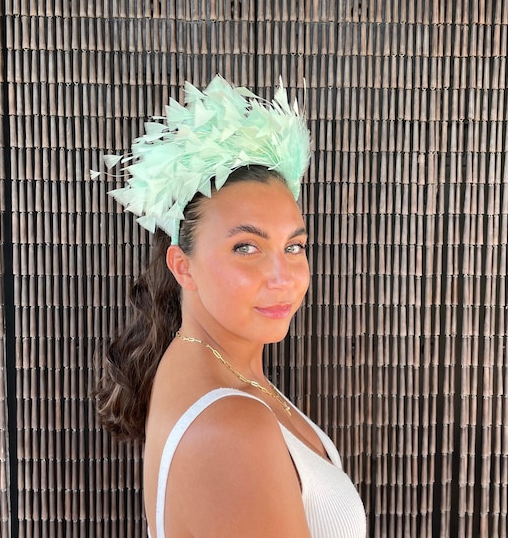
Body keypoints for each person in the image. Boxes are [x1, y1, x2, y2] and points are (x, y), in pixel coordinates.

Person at [93, 76, 367, 537]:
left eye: (294, 247)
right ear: (183, 266)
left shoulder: (225, 372)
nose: (284, 278)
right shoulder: (231, 426)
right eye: (246, 247)